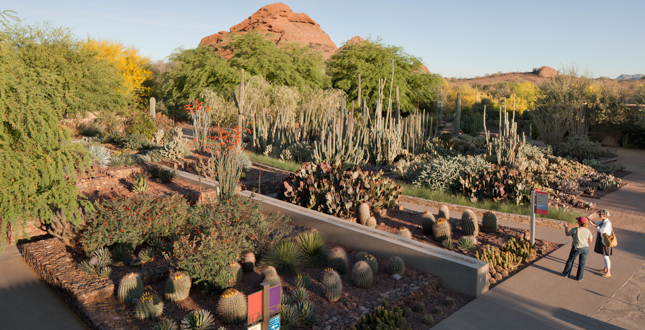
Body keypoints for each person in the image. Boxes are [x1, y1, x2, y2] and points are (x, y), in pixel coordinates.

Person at [562, 217, 594, 281]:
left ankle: (566, 274)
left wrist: (566, 228)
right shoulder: (587, 230)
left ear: (578, 223)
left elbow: (567, 234)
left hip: (576, 248)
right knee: (582, 263)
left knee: (570, 260)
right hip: (585, 248)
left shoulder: (575, 229)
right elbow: (590, 240)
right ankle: (579, 277)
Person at [590, 209, 613, 277]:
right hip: (603, 240)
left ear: (605, 215)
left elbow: (602, 230)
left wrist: (596, 226)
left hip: (606, 241)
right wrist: (591, 221)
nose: (599, 215)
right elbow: (596, 223)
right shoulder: (603, 221)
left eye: (601, 214)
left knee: (606, 256)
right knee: (604, 255)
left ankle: (608, 272)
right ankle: (605, 269)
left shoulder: (607, 223)